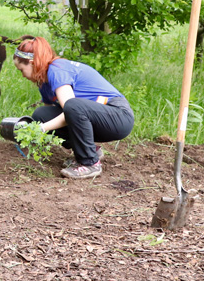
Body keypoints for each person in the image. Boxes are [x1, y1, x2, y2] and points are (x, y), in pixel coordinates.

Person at [12, 36, 134, 180]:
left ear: (32, 63)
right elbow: (52, 115)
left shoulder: (57, 70)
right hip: (95, 116)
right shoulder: (44, 82)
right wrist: (38, 131)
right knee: (41, 114)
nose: (22, 75)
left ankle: (90, 163)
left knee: (72, 105)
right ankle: (90, 150)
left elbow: (70, 110)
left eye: (21, 70)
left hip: (118, 117)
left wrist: (41, 129)